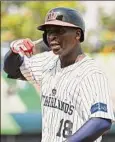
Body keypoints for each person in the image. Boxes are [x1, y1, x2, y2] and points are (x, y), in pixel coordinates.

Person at [4, 7, 115, 142]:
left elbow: (102, 120)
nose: (52, 36)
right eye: (49, 31)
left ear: (77, 34)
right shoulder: (46, 61)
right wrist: (13, 51)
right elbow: (12, 69)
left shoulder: (91, 73)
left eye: (59, 30)